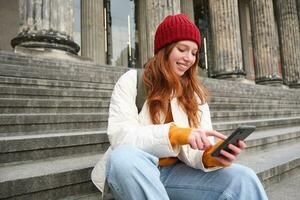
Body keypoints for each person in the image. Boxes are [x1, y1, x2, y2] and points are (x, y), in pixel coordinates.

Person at [91, 13, 268, 200]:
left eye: (193, 53)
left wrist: (211, 156)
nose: (188, 58)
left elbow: (196, 151)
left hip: (177, 175)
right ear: (164, 49)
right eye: (182, 49)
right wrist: (174, 134)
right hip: (137, 173)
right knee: (123, 158)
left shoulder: (195, 95)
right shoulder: (131, 81)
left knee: (243, 178)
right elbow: (120, 136)